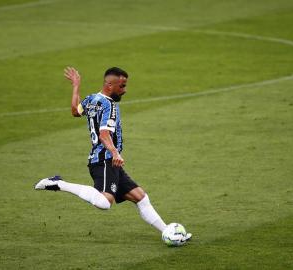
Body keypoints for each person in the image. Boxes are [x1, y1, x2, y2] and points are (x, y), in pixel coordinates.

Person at [35, 66, 191, 242]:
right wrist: (115, 153)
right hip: (104, 160)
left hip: (108, 161)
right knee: (104, 203)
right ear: (109, 85)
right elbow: (104, 134)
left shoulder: (92, 99)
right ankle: (59, 183)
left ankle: (168, 233)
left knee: (141, 197)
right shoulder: (110, 105)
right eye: (121, 86)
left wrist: (76, 86)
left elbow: (75, 111)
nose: (124, 90)